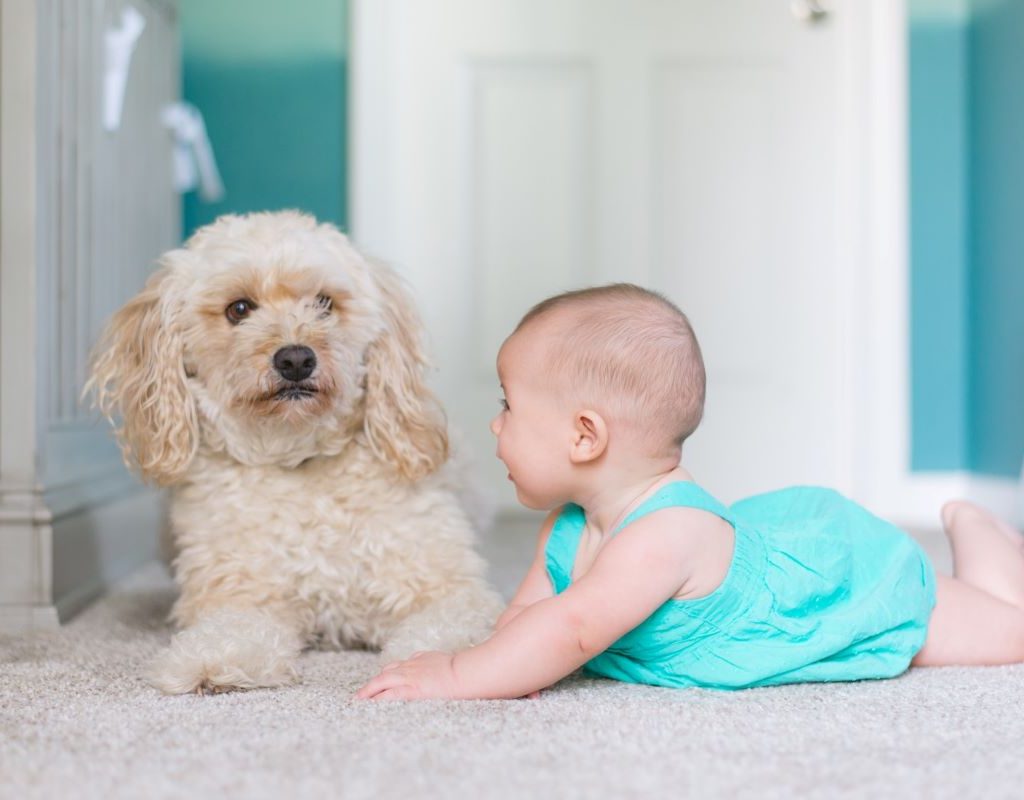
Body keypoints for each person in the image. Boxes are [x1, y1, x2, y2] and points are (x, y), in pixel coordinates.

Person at [356, 284, 1024, 700]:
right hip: (758, 548)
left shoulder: (664, 537)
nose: (495, 425)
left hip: (833, 587)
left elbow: (571, 628)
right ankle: (976, 549)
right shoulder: (568, 526)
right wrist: (505, 666)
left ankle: (982, 540)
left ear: (585, 436)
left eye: (509, 407)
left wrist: (457, 677)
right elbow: (531, 618)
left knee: (1009, 633)